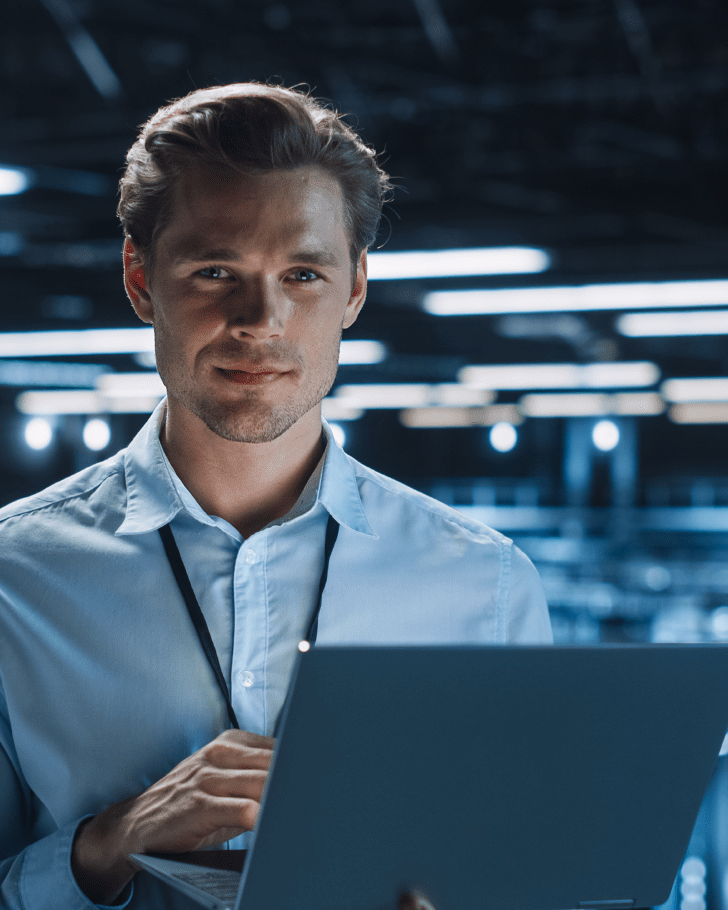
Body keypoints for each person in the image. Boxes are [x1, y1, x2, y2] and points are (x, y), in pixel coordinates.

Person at [0, 82, 552, 910]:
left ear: (355, 288)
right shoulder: (14, 577)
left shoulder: (487, 586)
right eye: (216, 270)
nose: (261, 320)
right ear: (141, 278)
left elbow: (536, 879)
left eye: (302, 273)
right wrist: (106, 846)